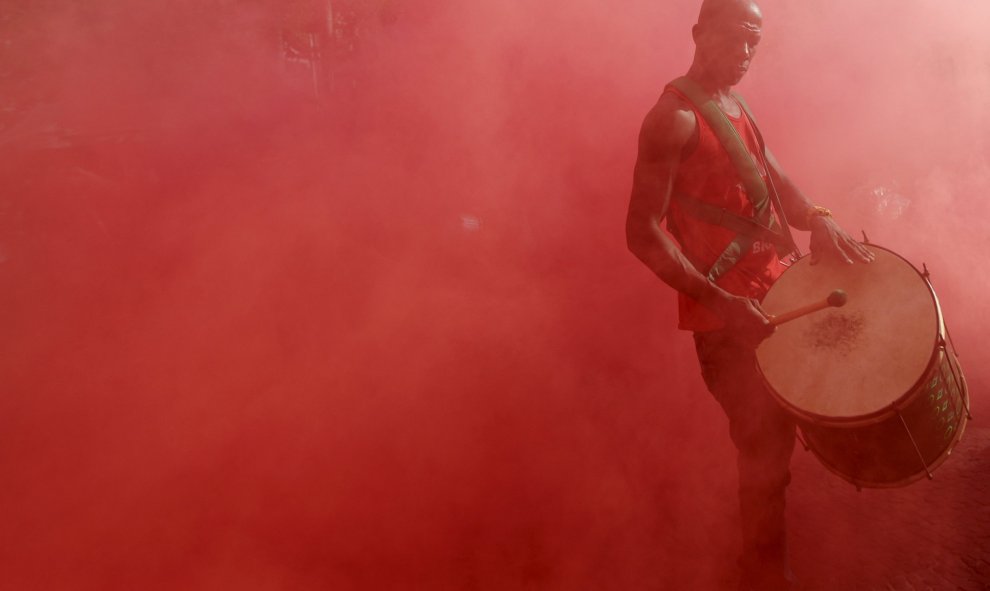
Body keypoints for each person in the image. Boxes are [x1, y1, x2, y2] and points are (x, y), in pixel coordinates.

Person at [624, 0, 873, 589]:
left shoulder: (735, 104)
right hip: (730, 326)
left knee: (781, 449)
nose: (744, 54)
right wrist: (719, 301)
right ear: (697, 32)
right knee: (763, 458)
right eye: (734, 39)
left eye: (753, 43)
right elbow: (641, 232)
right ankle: (764, 575)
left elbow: (775, 181)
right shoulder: (672, 118)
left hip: (781, 300)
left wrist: (818, 217)